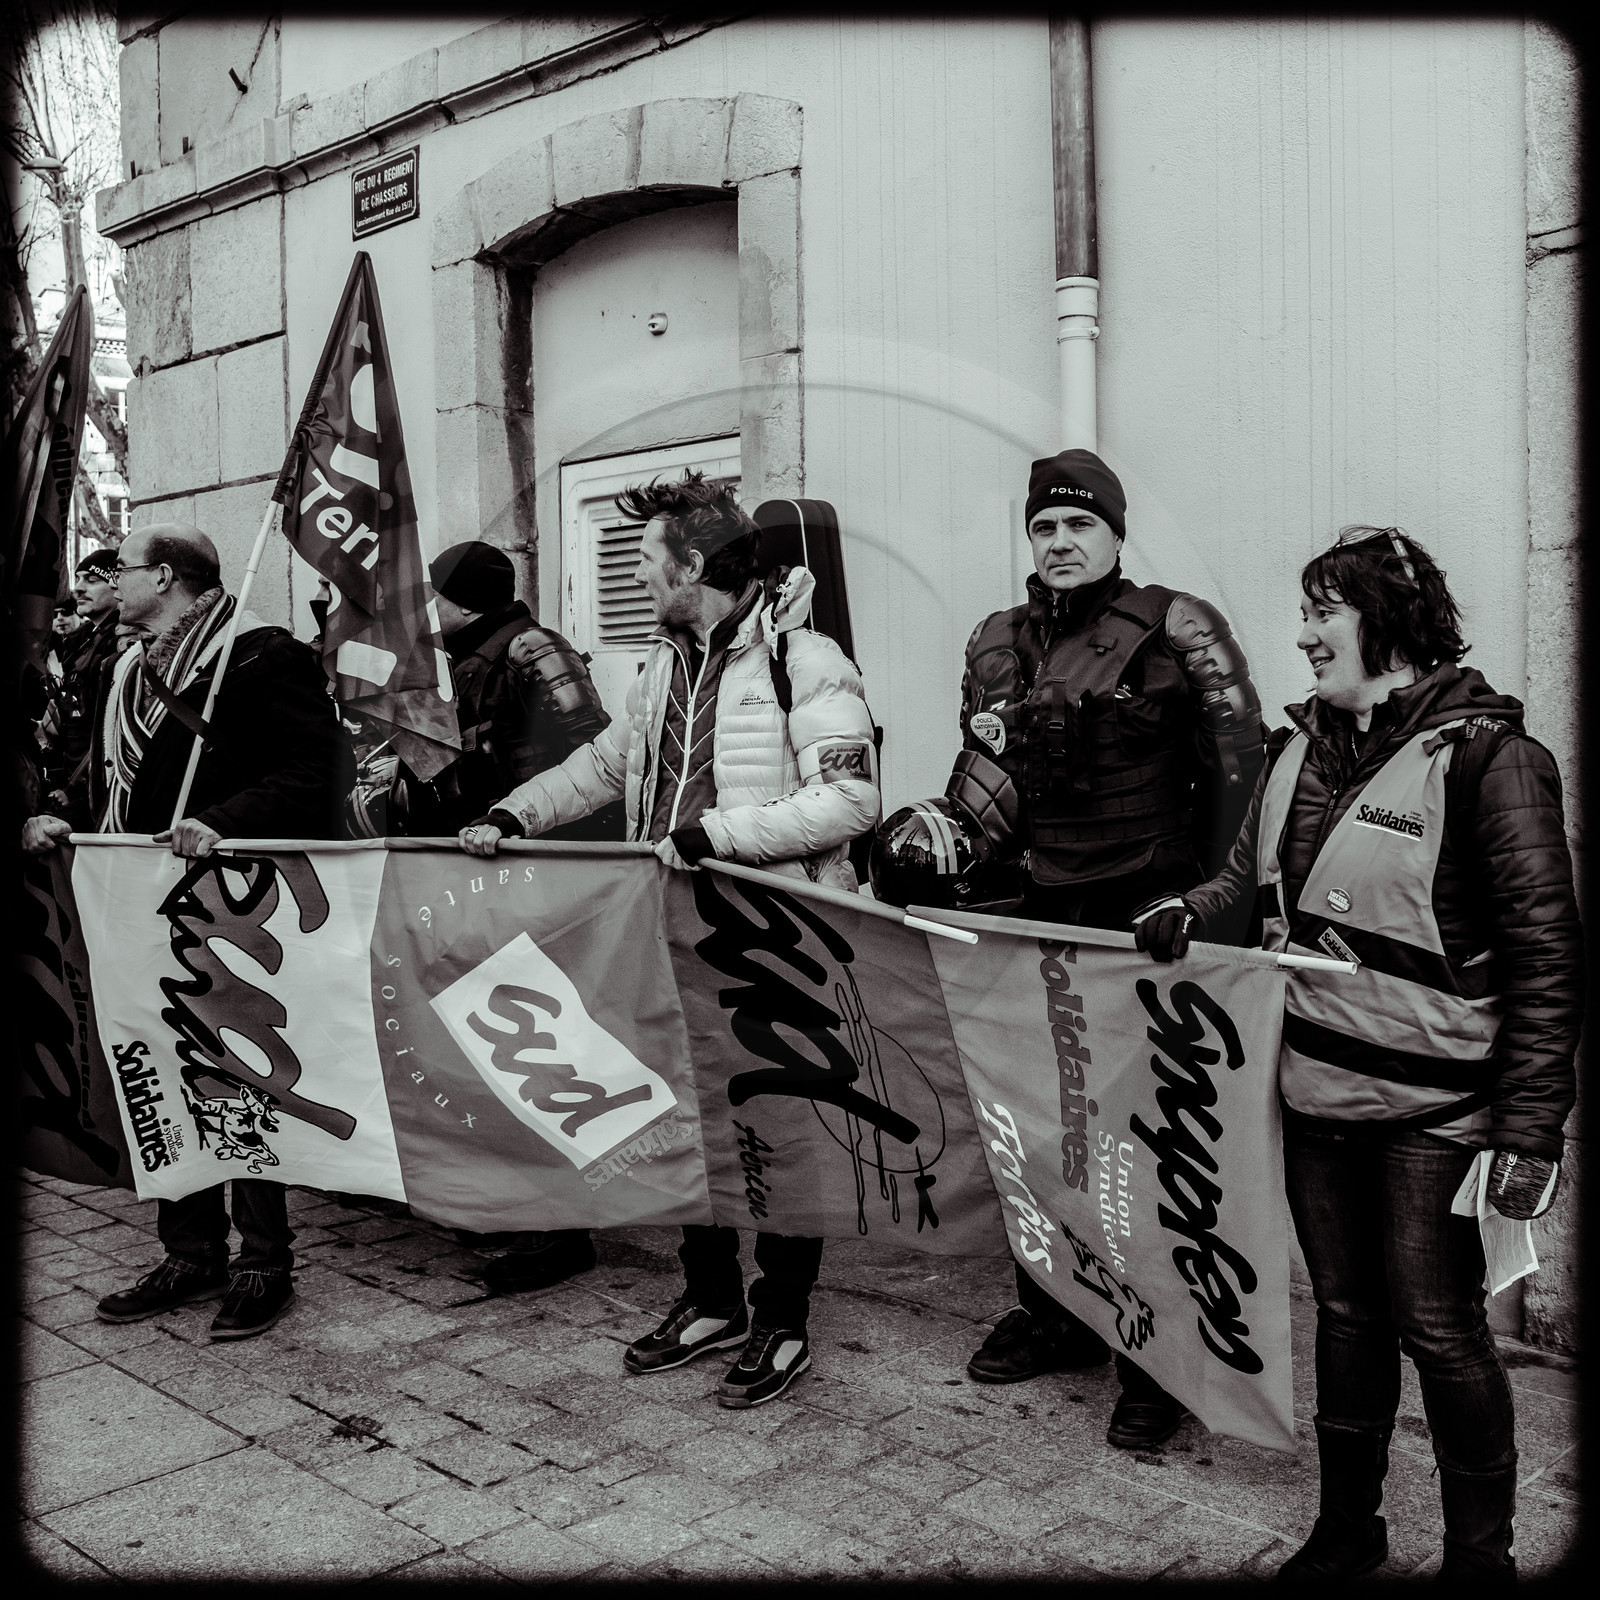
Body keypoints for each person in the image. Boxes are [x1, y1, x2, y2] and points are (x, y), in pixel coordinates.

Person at [1133, 526, 1581, 1582]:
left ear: (1387, 618)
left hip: (1437, 1116)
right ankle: (1349, 1530)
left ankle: (1481, 1554)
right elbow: (1247, 887)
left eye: (1321, 611)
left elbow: (1548, 958)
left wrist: (1528, 1129)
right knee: (1343, 1316)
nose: (1300, 635)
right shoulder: (1299, 750)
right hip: (1315, 1097)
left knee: (1438, 1327)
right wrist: (1183, 913)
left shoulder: (1491, 760)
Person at [459, 469, 880, 1407]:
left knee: (776, 1128)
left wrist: (715, 836)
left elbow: (851, 800)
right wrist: (515, 813)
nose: (640, 573)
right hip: (673, 930)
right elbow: (608, 764)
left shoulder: (805, 663)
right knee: (682, 1116)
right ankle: (709, 1300)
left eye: (650, 558)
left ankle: (781, 1321)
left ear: (692, 564)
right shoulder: (660, 667)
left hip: (774, 933)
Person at [953, 449, 1265, 1450]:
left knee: (1141, 1150)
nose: (1058, 541)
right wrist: (944, 849)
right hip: (1037, 915)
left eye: (1078, 525)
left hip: (1148, 921)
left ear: (1116, 535)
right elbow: (986, 780)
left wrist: (1218, 908)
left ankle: (1153, 1356)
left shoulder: (1178, 627)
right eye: (1043, 526)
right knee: (1037, 1130)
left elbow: (1240, 771)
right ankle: (1054, 1314)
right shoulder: (995, 639)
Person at [22, 523, 350, 1341]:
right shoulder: (126, 663)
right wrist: (58, 813)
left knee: (236, 1078)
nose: (107, 582)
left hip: (228, 907)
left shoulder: (258, 654)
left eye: (123, 569)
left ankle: (262, 1261)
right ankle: (189, 1250)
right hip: (133, 902)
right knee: (158, 1075)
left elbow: (313, 774)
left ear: (164, 577)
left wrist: (221, 820)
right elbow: (100, 776)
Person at [349, 537, 622, 1294]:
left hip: (526, 877)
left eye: (434, 592)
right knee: (485, 1048)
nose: (426, 608)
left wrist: (541, 856)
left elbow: (589, 763)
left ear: (462, 597)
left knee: (542, 1053)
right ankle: (512, 1207)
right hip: (469, 873)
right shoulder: (453, 657)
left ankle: (563, 1230)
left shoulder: (532, 649)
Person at [37, 548, 122, 813]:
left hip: (97, 790)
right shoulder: (84, 641)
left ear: (116, 582)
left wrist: (73, 787)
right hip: (74, 778)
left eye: (91, 580)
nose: (78, 588)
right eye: (78, 578)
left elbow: (110, 728)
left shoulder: (120, 642)